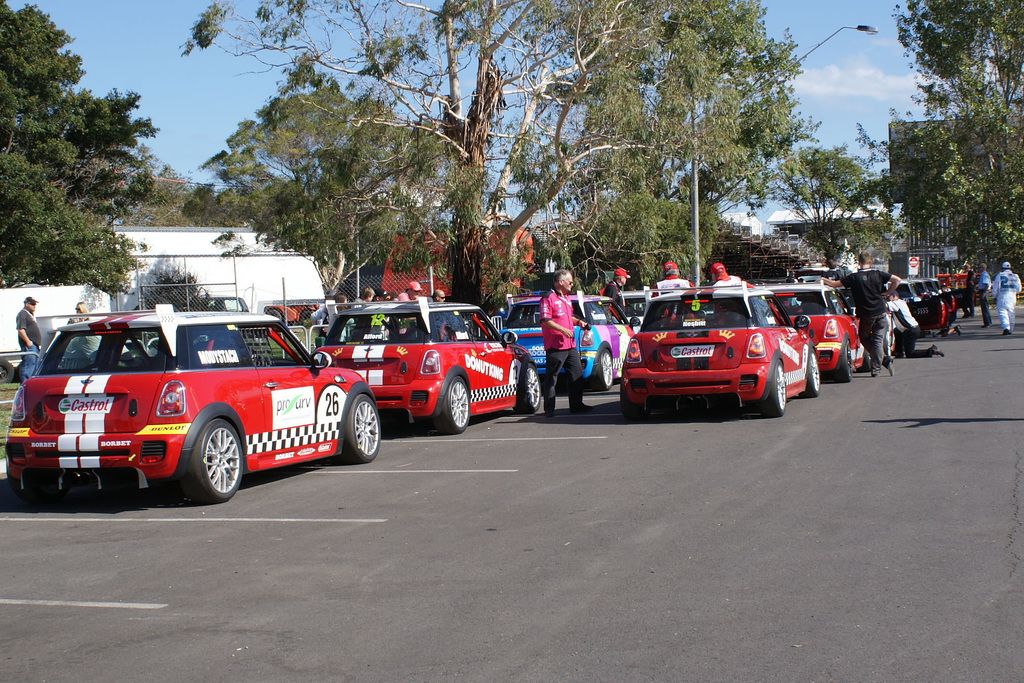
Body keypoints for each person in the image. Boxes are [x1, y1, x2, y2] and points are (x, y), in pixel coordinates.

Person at [822, 251, 901, 377]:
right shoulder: (878, 274)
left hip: (866, 314)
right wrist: (887, 293)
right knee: (878, 340)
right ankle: (880, 364)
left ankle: (881, 364)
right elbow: (897, 280)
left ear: (859, 262)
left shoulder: (853, 277)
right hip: (881, 311)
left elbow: (835, 284)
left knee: (864, 338)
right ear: (870, 262)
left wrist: (823, 279)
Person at [539, 269, 591, 417]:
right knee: (552, 378)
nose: (571, 284)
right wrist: (562, 330)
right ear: (560, 282)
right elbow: (545, 320)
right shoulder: (547, 298)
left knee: (576, 374)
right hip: (556, 345)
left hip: (570, 344)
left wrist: (579, 322)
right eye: (570, 282)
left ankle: (577, 406)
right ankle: (549, 409)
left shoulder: (567, 298)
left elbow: (569, 317)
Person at [887, 294, 944, 358]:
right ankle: (898, 352)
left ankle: (932, 351)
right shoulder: (901, 302)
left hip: (911, 330)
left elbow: (884, 306)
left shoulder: (896, 303)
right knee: (897, 331)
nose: (887, 298)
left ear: (894, 296)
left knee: (910, 354)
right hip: (910, 328)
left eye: (888, 296)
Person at [990, 261, 1022, 334]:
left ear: (1002, 268)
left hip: (1003, 295)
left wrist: (994, 296)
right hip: (1012, 296)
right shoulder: (1015, 276)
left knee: (1002, 311)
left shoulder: (999, 275)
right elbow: (1019, 289)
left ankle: (1006, 327)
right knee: (1011, 312)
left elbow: (995, 288)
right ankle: (1011, 328)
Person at [16, 296, 42, 381]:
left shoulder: (29, 314)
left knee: (35, 367)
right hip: (29, 346)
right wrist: (28, 342)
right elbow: (21, 330)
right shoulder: (22, 314)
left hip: (35, 345)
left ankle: (32, 386)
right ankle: (25, 385)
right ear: (26, 304)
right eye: (32, 304)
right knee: (28, 366)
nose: (34, 306)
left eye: (35, 304)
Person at [976, 263, 993, 327]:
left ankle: (987, 322)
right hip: (982, 290)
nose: (979, 269)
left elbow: (986, 284)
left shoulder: (984, 275)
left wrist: (984, 293)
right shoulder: (982, 274)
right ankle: (987, 322)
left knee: (985, 307)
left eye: (979, 267)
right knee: (984, 307)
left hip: (983, 291)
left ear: (983, 268)